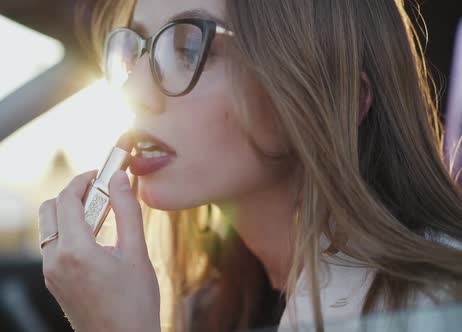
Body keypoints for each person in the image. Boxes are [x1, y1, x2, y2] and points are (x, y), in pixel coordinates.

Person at [38, 0, 462, 331]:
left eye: (186, 48)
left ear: (342, 96)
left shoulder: (433, 308)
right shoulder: (204, 306)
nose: (136, 91)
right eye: (137, 51)